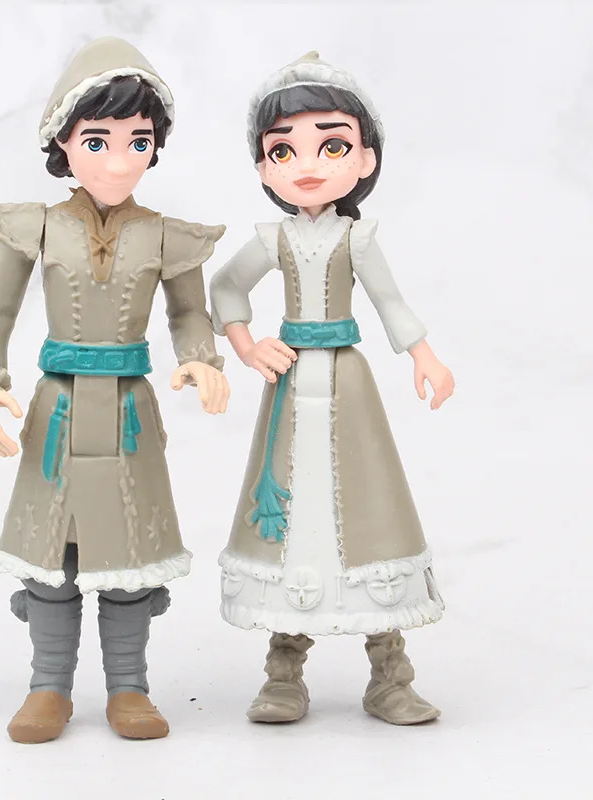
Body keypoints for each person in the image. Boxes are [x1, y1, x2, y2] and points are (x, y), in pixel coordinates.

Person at [0, 37, 229, 743]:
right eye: (97, 141)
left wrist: (201, 359)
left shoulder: (166, 237)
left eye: (137, 142)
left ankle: (129, 687)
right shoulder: (38, 228)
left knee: (128, 553)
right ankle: (47, 686)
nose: (117, 161)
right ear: (63, 143)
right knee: (53, 554)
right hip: (59, 408)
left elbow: (190, 313)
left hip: (130, 413)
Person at [209, 50, 454, 726]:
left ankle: (389, 672)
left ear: (365, 158)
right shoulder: (275, 238)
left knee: (368, 513)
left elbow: (390, 301)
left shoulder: (357, 238)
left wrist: (424, 355)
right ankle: (283, 670)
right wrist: (247, 345)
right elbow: (225, 287)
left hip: (348, 388)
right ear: (264, 167)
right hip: (290, 388)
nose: (307, 164)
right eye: (282, 151)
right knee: (290, 520)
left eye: (334, 145)